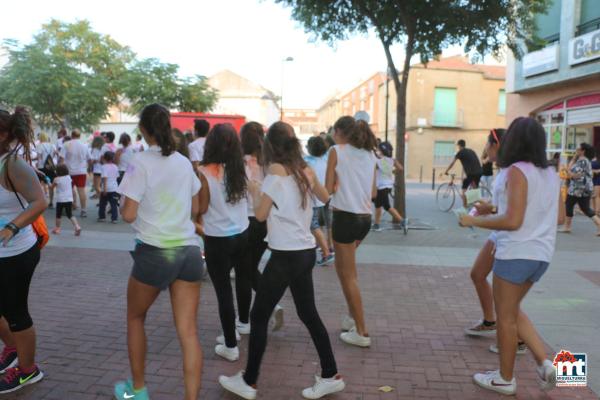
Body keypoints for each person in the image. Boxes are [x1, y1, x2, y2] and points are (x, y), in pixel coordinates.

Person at [219, 121, 345, 400]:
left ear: (270, 146)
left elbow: (261, 215)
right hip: (304, 253)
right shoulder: (304, 170)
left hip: (285, 256)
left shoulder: (275, 173)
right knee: (308, 314)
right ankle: (330, 374)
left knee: (259, 316)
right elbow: (325, 198)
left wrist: (255, 189)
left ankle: (249, 381)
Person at [459, 117, 561, 395]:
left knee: (505, 318)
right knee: (512, 310)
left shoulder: (516, 170)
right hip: (541, 255)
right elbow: (560, 216)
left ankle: (505, 378)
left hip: (516, 252)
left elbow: (514, 220)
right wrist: (493, 209)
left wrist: (474, 221)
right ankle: (548, 365)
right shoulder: (551, 173)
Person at [114, 104, 204, 400]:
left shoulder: (139, 163)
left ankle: (137, 391)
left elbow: (128, 214)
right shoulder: (182, 161)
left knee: (135, 318)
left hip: (155, 251)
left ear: (143, 129)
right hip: (189, 252)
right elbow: (194, 207)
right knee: (188, 332)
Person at [0, 107, 47, 394]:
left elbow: (39, 202)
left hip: (16, 252)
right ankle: (13, 349)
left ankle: (29, 370)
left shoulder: (12, 164)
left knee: (16, 312)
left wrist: (12, 227)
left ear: (4, 135)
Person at [197, 124, 249, 362]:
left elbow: (202, 207)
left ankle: (230, 344)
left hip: (217, 237)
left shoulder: (204, 171)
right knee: (243, 281)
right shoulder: (241, 168)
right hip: (242, 233)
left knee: (223, 293)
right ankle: (241, 326)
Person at [326, 116, 377, 348]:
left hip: (345, 217)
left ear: (339, 132)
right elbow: (374, 192)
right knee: (344, 271)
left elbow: (327, 189)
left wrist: (337, 185)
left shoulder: (336, 151)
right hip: (364, 219)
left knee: (349, 276)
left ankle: (362, 331)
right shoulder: (370, 155)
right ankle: (351, 318)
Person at [237, 122, 285, 333]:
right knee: (249, 268)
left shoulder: (239, 162)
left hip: (244, 220)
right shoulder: (269, 163)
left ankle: (246, 319)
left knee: (243, 271)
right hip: (266, 221)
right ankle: (269, 306)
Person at [305, 136, 334, 266]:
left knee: (314, 225)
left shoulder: (307, 162)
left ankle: (326, 252)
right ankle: (328, 246)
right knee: (326, 223)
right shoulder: (326, 160)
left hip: (313, 199)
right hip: (325, 197)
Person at [559, 143, 600, 235]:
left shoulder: (582, 161)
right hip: (584, 187)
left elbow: (574, 175)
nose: (576, 149)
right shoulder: (583, 160)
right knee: (585, 208)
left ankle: (567, 226)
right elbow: (572, 170)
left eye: (578, 148)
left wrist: (566, 170)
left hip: (578, 188)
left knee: (569, 205)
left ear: (583, 151)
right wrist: (574, 158)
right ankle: (599, 225)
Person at [372, 141, 404, 231]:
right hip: (388, 186)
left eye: (378, 149)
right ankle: (401, 221)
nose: (377, 150)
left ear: (382, 151)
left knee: (382, 206)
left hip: (381, 186)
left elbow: (373, 171)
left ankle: (377, 224)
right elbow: (401, 168)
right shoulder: (392, 160)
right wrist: (393, 171)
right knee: (384, 205)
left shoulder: (378, 161)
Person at [59, 129, 90, 217]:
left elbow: (61, 159)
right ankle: (83, 210)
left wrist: (60, 171)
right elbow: (89, 159)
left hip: (68, 172)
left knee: (68, 191)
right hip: (81, 171)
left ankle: (69, 209)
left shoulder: (66, 144)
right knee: (81, 191)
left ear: (71, 135)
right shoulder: (85, 146)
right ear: (79, 136)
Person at [444, 139, 483, 207]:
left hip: (471, 173)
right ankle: (478, 204)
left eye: (458, 146)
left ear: (459, 145)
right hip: (479, 171)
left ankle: (464, 207)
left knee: (464, 189)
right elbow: (472, 161)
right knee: (475, 189)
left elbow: (452, 163)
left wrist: (446, 171)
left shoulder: (460, 152)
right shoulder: (471, 150)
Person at [51, 164, 81, 236]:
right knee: (70, 214)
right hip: (69, 199)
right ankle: (77, 226)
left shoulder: (56, 179)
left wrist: (49, 183)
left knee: (58, 215)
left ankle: (57, 228)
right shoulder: (68, 177)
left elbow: (51, 187)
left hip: (60, 200)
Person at [98, 151, 120, 224]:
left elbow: (105, 178)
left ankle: (102, 217)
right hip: (114, 189)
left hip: (106, 189)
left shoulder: (104, 167)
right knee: (114, 205)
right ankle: (114, 218)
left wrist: (104, 189)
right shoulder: (116, 167)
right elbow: (117, 177)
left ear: (104, 158)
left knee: (102, 204)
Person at [35, 133, 56, 207]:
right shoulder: (52, 145)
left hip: (41, 167)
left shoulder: (39, 146)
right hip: (50, 167)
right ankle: (51, 201)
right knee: (50, 184)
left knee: (40, 184)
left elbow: (39, 157)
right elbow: (53, 155)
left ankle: (41, 201)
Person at [593, 150, 600, 216]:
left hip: (598, 179)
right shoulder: (589, 160)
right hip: (592, 179)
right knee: (593, 196)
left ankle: (597, 211)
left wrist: (597, 171)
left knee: (597, 195)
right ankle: (594, 210)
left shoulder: (598, 160)